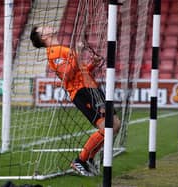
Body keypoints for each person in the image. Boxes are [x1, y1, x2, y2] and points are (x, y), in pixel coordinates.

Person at [30, 26, 121, 176]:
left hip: (91, 88)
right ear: (43, 37)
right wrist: (78, 52)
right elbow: (68, 74)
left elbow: (80, 71)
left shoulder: (61, 49)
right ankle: (80, 160)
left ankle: (89, 159)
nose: (48, 26)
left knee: (115, 124)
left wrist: (93, 64)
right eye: (43, 28)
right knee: (107, 127)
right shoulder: (54, 52)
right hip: (82, 92)